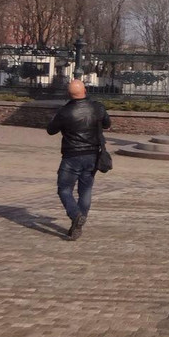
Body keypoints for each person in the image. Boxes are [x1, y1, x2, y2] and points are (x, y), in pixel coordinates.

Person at [47, 80, 111, 240]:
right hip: (92, 154)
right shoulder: (97, 107)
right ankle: (78, 223)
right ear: (85, 90)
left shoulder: (64, 111)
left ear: (69, 94)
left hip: (72, 155)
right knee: (85, 190)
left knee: (64, 189)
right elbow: (107, 124)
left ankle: (76, 216)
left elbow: (50, 130)